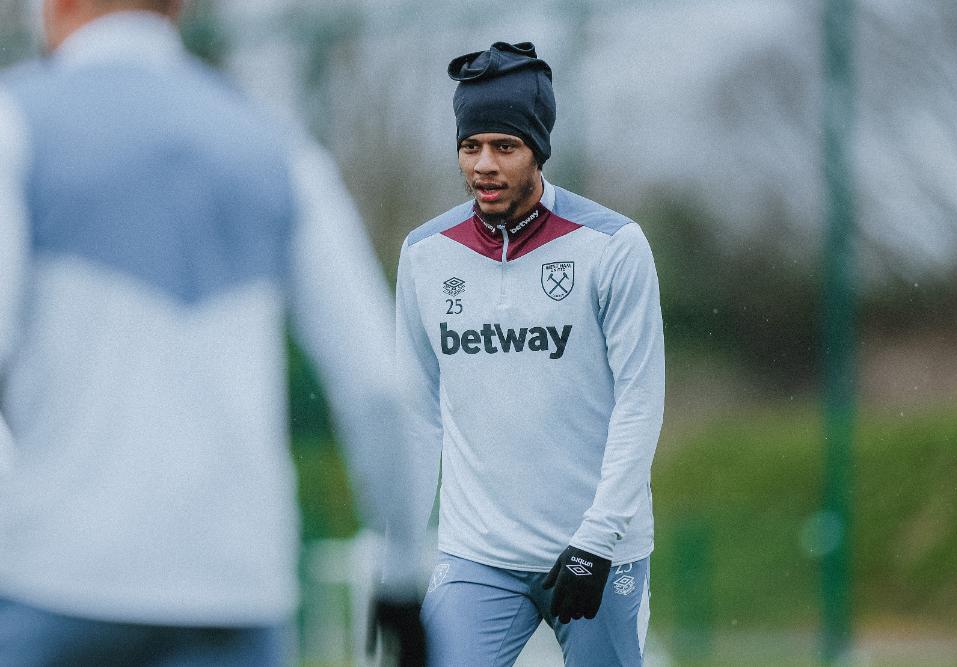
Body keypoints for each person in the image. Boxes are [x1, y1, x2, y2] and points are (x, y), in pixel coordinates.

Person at [0, 1, 425, 665]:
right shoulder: (275, 145)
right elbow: (378, 384)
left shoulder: (15, 121)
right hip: (234, 594)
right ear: (178, 6)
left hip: (52, 589)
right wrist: (401, 571)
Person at [395, 41, 665, 666]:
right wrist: (400, 557)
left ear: (539, 149)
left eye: (505, 146)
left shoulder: (614, 246)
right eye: (470, 146)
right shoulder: (424, 254)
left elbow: (639, 398)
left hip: (598, 551)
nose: (484, 165)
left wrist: (597, 540)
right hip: (477, 557)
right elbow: (415, 412)